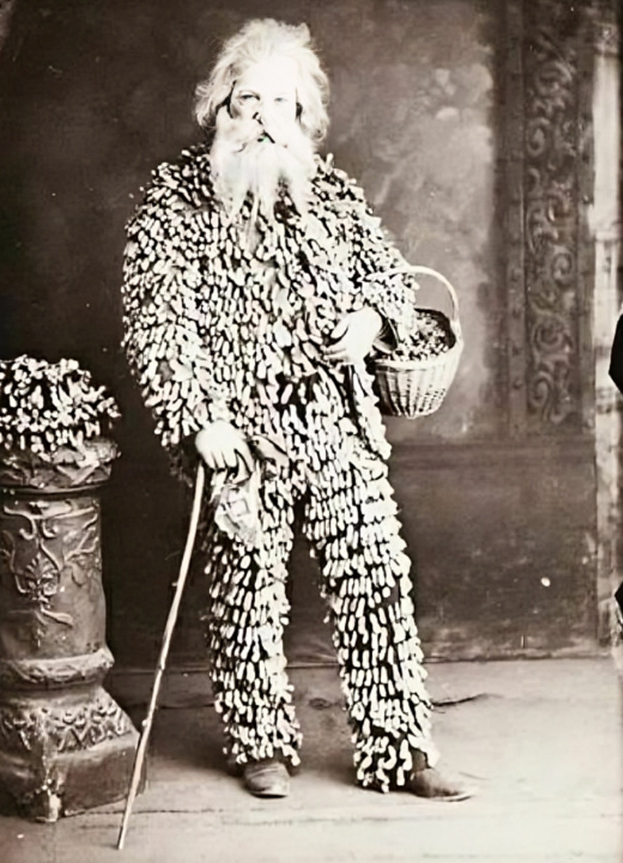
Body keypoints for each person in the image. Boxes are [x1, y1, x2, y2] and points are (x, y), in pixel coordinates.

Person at [121, 17, 472, 801]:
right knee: (246, 586)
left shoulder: (333, 194)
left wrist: (373, 321)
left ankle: (401, 749)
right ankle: (260, 744)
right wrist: (199, 418)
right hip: (240, 436)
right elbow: (159, 323)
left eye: (282, 103)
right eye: (248, 101)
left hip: (334, 423)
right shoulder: (174, 204)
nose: (264, 120)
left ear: (304, 115)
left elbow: (388, 277)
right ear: (219, 109)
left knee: (376, 575)